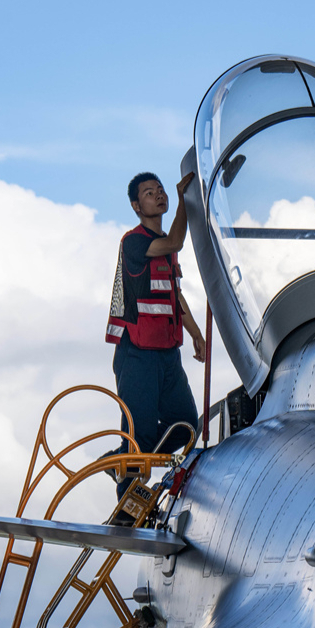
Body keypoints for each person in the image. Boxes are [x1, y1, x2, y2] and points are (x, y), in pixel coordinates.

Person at [104, 171, 205, 508]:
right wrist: (184, 203)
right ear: (136, 206)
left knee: (186, 424)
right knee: (140, 434)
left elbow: (173, 295)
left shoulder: (165, 249)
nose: (158, 196)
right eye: (150, 193)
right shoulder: (134, 242)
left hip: (167, 354)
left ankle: (122, 460)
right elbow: (176, 241)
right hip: (137, 353)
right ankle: (128, 506)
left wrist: (195, 333)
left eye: (161, 191)